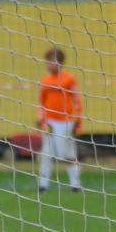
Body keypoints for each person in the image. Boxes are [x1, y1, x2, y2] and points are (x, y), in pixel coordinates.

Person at [37, 47, 84, 194]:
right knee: (46, 152)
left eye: (51, 61)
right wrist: (41, 119)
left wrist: (78, 120)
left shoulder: (69, 79)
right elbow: (41, 102)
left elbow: (77, 100)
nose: (49, 64)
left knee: (69, 153)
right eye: (47, 61)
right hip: (50, 122)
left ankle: (75, 184)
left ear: (60, 62)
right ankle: (43, 185)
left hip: (67, 121)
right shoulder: (45, 81)